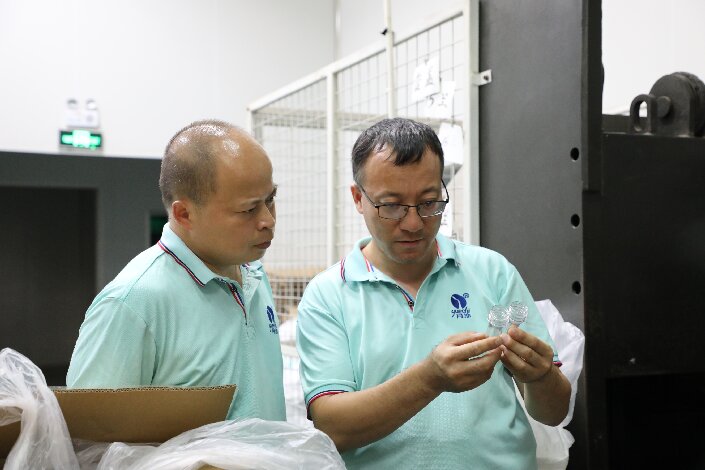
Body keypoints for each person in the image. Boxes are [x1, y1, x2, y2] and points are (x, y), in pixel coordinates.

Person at [296, 118, 571, 469]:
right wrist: (429, 379)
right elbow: (332, 427)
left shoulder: (492, 272)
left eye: (429, 203)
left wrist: (541, 376)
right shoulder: (329, 295)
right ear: (358, 198)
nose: (413, 223)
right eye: (391, 206)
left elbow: (553, 412)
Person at [67, 119, 286, 421]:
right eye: (248, 209)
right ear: (184, 214)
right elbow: (89, 437)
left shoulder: (253, 276)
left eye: (270, 199)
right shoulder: (133, 303)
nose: (268, 220)